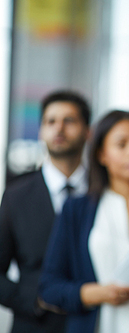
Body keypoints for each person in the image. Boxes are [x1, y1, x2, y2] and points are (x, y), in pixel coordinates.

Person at [38, 110, 129, 333]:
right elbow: (49, 286)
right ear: (102, 154)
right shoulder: (78, 209)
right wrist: (95, 293)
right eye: (122, 144)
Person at [0, 90, 90, 333]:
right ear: (41, 131)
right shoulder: (16, 195)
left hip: (94, 323)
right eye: (51, 121)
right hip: (35, 324)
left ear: (88, 131)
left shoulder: (102, 192)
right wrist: (36, 301)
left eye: (69, 121)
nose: (59, 128)